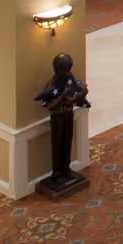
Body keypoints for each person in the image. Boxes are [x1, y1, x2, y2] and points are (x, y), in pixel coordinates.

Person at [34, 53, 91, 197]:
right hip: (58, 118)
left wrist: (81, 94)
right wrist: (62, 95)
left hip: (68, 115)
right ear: (58, 69)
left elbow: (75, 98)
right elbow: (50, 105)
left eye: (68, 68)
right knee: (58, 145)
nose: (67, 72)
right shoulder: (53, 86)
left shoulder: (70, 81)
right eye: (64, 69)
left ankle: (66, 169)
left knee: (67, 142)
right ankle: (57, 172)